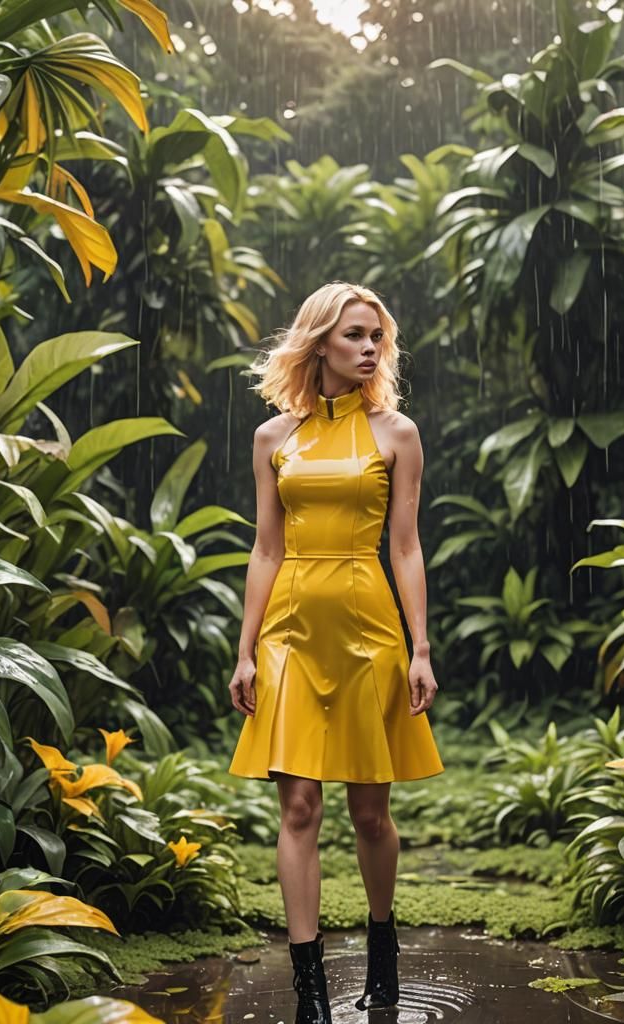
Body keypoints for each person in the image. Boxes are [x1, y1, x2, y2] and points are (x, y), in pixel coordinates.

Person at [227, 281, 445, 1023]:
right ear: (319, 341)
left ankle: (382, 953)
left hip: (369, 629)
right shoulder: (272, 439)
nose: (370, 348)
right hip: (288, 629)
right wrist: (246, 650)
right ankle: (311, 994)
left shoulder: (397, 433)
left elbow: (407, 547)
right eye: (355, 335)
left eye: (377, 337)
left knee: (371, 812)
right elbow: (265, 547)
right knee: (297, 807)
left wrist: (420, 648)